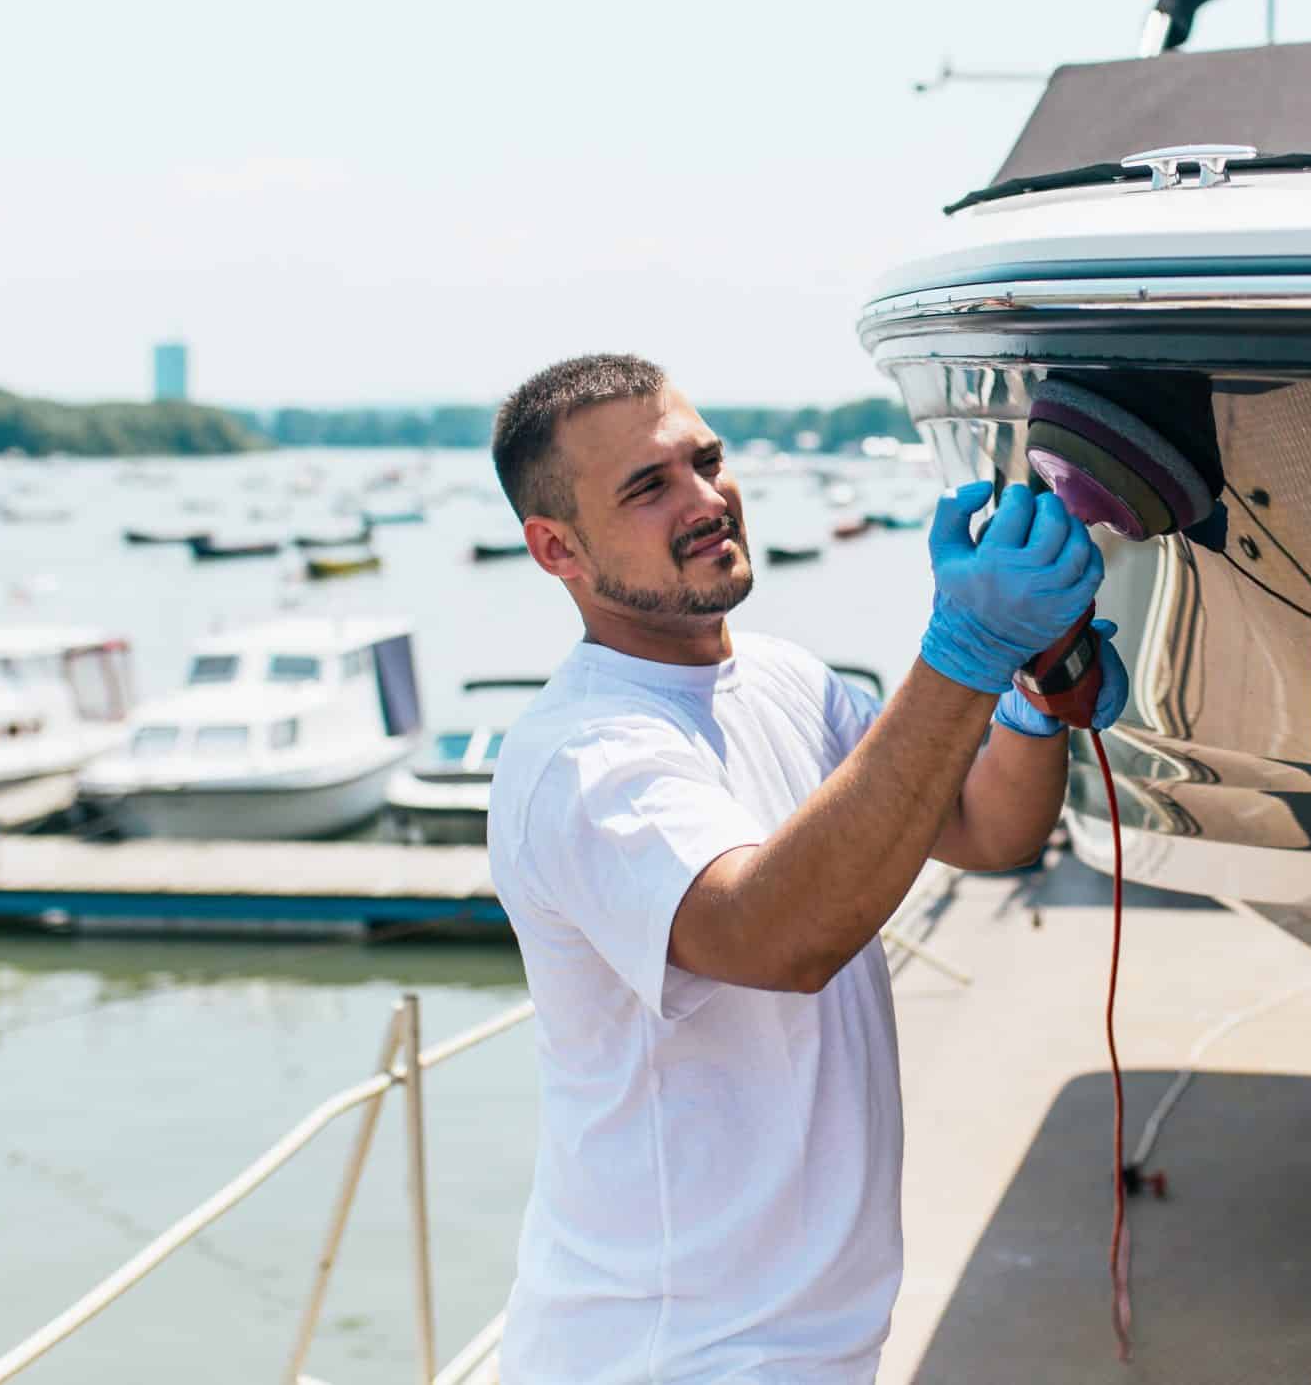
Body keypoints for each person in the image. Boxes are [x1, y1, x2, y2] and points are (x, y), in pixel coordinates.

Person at [482, 353, 1129, 1385]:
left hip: (803, 1342)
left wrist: (1033, 686)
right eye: (649, 487)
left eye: (706, 460)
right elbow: (777, 938)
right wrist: (960, 651)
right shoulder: (588, 755)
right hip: (669, 1357)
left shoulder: (782, 676)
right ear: (556, 547)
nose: (704, 500)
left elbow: (980, 829)